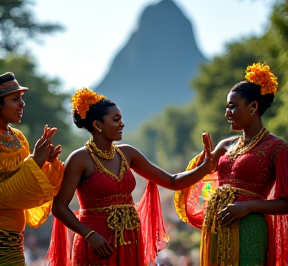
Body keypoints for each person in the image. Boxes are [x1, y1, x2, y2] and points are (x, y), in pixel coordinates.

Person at [46, 87, 222, 266]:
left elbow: (172, 181)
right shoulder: (80, 159)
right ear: (98, 125)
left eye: (121, 119)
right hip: (98, 244)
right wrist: (89, 234)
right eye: (116, 120)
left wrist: (205, 168)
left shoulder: (128, 154)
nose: (122, 124)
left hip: (130, 241)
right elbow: (59, 207)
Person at [174, 62, 288, 265]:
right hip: (217, 226)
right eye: (227, 107)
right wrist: (203, 168)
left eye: (233, 106)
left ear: (253, 107)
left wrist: (249, 206)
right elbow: (197, 180)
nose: (227, 112)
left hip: (250, 227)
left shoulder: (277, 148)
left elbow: (286, 202)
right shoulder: (224, 146)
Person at [0, 72, 65, 266]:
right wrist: (35, 161)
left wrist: (44, 163)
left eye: (22, 99)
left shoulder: (19, 138)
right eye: (14, 99)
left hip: (14, 241)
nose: (22, 104)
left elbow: (24, 182)